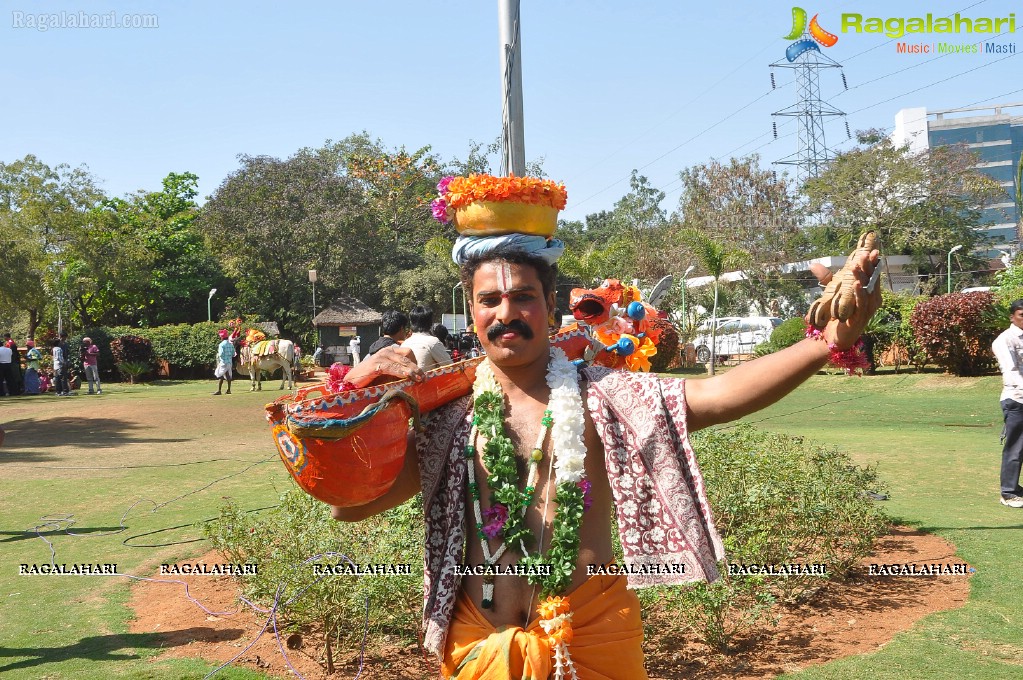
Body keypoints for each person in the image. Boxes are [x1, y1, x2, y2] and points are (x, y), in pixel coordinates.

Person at [332, 243, 880, 678]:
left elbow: (718, 394)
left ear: (550, 306)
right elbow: (351, 509)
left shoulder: (606, 395)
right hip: (480, 644)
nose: (506, 314)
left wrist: (826, 342)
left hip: (592, 636)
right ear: (471, 309)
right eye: (490, 301)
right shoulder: (446, 419)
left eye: (523, 297)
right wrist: (356, 401)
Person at [992, 299, 1023, 508]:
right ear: (1012, 317)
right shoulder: (1005, 340)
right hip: (1017, 399)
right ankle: (1009, 493)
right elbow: (1011, 373)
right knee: (1016, 448)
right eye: (1022, 315)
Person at [401, 305, 452, 370]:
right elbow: (452, 367)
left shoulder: (404, 344)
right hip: (427, 380)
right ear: (430, 323)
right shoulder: (433, 342)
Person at [213, 329, 235, 395]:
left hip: (223, 362)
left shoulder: (221, 345)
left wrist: (220, 358)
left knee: (219, 375)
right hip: (229, 362)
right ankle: (228, 390)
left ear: (222, 337)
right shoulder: (231, 345)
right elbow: (233, 353)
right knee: (228, 376)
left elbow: (221, 354)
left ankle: (219, 390)